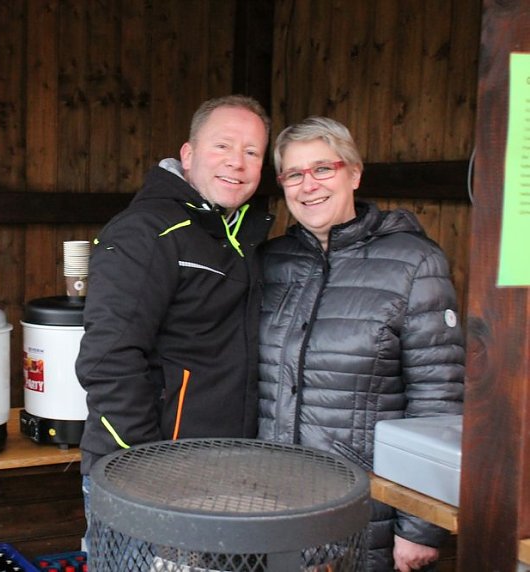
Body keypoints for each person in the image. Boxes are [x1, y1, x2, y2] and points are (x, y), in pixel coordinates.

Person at [258, 116, 465, 571]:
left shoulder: (414, 263)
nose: (308, 185)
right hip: (272, 505)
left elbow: (439, 400)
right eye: (294, 174)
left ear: (354, 173)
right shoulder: (269, 263)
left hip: (365, 507)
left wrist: (420, 525)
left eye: (323, 169)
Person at [76, 94, 274, 479]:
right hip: (149, 473)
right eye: (222, 146)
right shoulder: (147, 231)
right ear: (188, 154)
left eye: (252, 152)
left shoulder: (238, 239)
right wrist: (139, 466)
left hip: (223, 467)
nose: (237, 161)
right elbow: (109, 358)